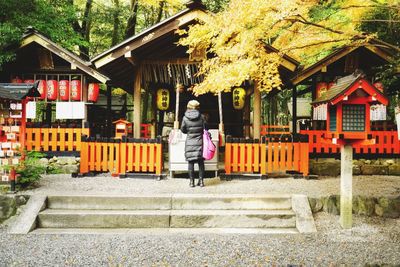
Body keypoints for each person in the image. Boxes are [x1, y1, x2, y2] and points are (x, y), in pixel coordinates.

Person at [181, 100, 205, 187]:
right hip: (200, 142)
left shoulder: (185, 118)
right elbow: (205, 128)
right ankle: (201, 182)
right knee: (200, 162)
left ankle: (191, 182)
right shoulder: (202, 117)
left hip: (190, 142)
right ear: (198, 107)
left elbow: (183, 130)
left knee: (190, 162)